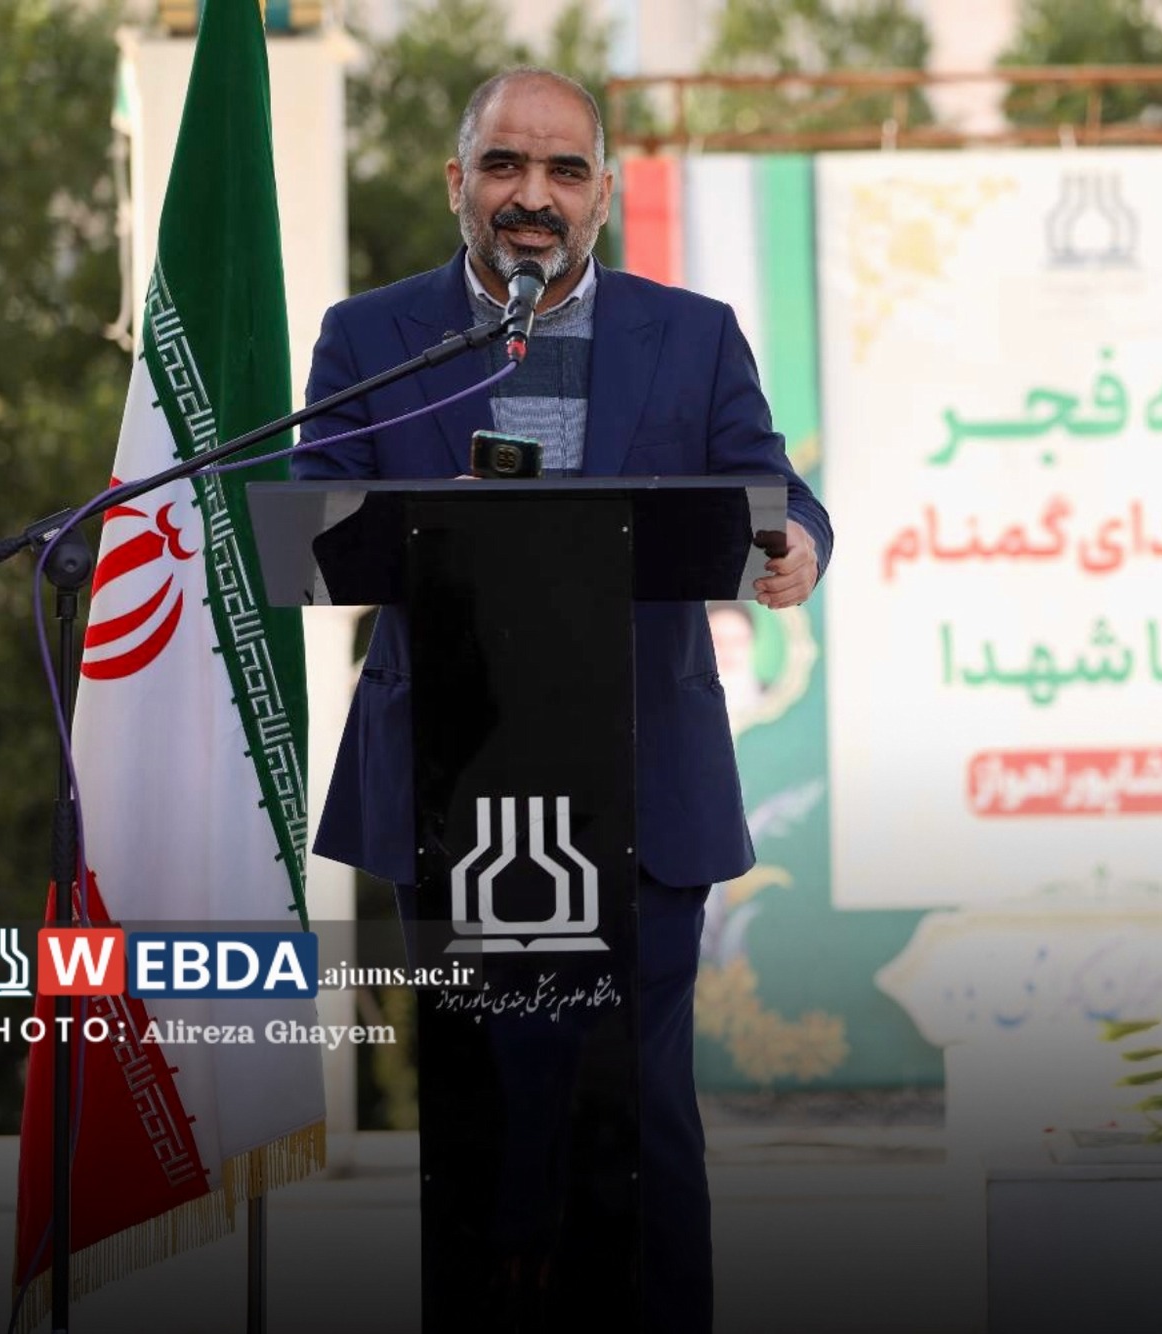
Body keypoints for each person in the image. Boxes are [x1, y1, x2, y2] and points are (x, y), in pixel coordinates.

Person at [290, 67, 830, 1334]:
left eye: (563, 170)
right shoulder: (373, 333)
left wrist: (800, 539)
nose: (531, 195)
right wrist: (410, 523)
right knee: (483, 1116)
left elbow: (769, 488)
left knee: (639, 1112)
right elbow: (313, 508)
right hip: (450, 791)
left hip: (641, 783)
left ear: (603, 192)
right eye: (504, 166)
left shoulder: (691, 333)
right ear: (457, 181)